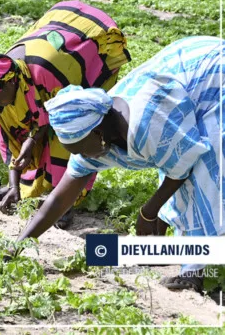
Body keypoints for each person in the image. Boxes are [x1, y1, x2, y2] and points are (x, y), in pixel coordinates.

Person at [17, 36, 223, 293]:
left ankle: (193, 272)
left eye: (81, 148)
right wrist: (19, 244)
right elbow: (58, 201)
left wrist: (149, 212)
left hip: (213, 76)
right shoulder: (93, 129)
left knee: (208, 172)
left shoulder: (146, 124)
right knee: (178, 164)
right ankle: (182, 251)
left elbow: (183, 166)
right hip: (184, 84)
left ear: (98, 134)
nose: (82, 156)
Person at [0, 1, 131, 228]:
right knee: (25, 124)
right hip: (53, 41)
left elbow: (53, 119)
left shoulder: (47, 72)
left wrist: (33, 140)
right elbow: (8, 135)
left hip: (90, 48)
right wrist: (14, 183)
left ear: (12, 83)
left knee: (70, 131)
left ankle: (66, 199)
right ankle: (38, 185)